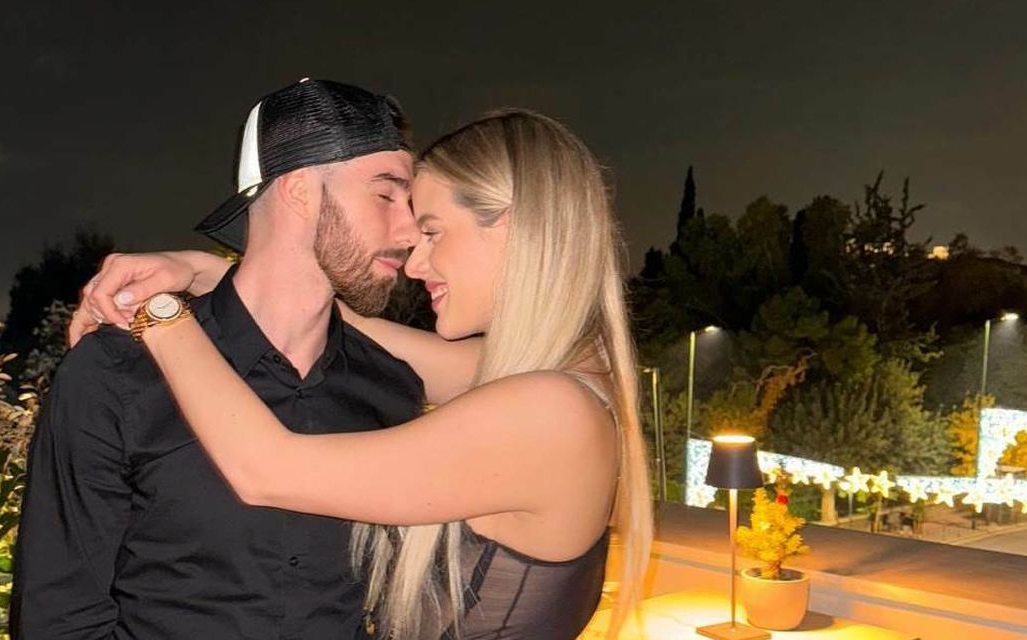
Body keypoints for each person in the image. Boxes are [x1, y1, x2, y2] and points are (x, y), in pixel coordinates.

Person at [73, 110, 653, 639]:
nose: (414, 263)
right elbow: (353, 326)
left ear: (511, 225)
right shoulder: (578, 379)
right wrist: (202, 270)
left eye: (432, 231)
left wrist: (156, 315)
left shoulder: (549, 414)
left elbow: (264, 468)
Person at [11, 79, 426, 639]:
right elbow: (58, 620)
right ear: (299, 190)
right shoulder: (115, 374)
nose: (410, 231)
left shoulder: (391, 390)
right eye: (386, 196)